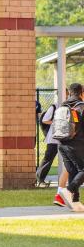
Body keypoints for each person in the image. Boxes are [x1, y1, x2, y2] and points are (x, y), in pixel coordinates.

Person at [56, 83, 84, 212]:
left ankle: (75, 202)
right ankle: (69, 190)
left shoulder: (63, 106)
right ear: (81, 93)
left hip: (62, 144)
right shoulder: (81, 107)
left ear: (70, 92)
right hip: (76, 144)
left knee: (73, 171)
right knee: (82, 170)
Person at [37, 95, 60, 187]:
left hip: (67, 139)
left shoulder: (71, 106)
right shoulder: (54, 106)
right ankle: (40, 179)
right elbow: (45, 120)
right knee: (48, 159)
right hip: (54, 138)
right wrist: (57, 122)